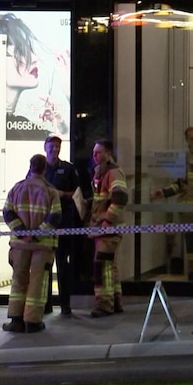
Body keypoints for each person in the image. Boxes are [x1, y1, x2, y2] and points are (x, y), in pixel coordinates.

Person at [2, 154, 62, 333]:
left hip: (20, 245)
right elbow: (56, 217)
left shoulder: (17, 188)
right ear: (44, 169)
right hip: (42, 246)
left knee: (18, 281)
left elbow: (7, 213)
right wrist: (36, 236)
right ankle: (33, 321)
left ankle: (16, 319)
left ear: (30, 166)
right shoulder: (51, 191)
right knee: (38, 281)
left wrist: (22, 232)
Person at [0, 12, 70, 140]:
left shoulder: (20, 126)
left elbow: (61, 145)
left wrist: (61, 123)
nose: (35, 58)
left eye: (30, 50)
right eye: (21, 51)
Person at [151, 126, 193, 281]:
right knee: (191, 240)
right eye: (191, 138)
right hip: (187, 206)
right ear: (186, 140)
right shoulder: (183, 160)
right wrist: (164, 192)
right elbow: (179, 184)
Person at [42, 134, 82, 316]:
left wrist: (59, 194)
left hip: (63, 223)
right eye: (51, 147)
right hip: (45, 225)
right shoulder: (38, 169)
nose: (54, 150)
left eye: (57, 147)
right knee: (45, 266)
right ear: (45, 148)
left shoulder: (67, 169)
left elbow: (77, 192)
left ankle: (65, 304)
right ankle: (47, 304)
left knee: (63, 265)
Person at [89, 139, 129, 318]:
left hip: (108, 229)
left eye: (98, 152)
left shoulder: (113, 172)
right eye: (94, 152)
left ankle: (104, 304)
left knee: (101, 265)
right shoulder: (100, 173)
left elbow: (120, 197)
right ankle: (116, 301)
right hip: (103, 228)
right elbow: (103, 199)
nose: (95, 156)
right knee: (110, 266)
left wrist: (107, 220)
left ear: (108, 153)